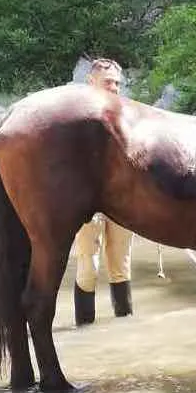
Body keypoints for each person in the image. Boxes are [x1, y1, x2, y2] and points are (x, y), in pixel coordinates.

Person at [72, 58, 135, 326]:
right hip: (90, 205)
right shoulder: (76, 117)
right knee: (89, 267)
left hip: (122, 202)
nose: (114, 87)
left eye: (117, 83)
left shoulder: (126, 115)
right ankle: (84, 330)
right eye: (108, 82)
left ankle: (125, 328)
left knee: (121, 267)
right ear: (91, 81)